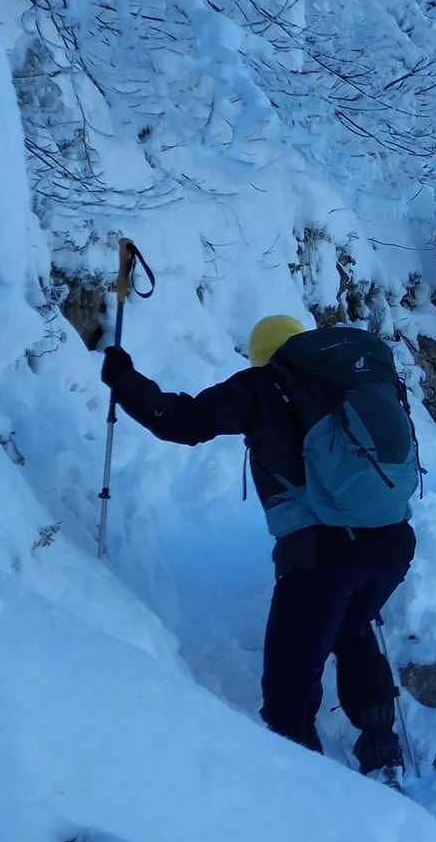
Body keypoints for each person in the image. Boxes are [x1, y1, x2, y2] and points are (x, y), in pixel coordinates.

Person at [99, 315, 413, 779]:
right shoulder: (346, 386)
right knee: (351, 632)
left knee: (289, 688)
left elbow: (181, 420)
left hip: (320, 560)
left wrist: (124, 380)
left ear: (259, 355)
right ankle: (383, 751)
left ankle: (310, 792)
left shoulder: (262, 386)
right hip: (392, 547)